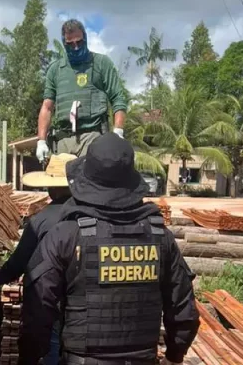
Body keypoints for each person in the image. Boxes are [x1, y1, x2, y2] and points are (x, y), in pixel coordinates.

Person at [19, 133, 200, 365]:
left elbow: (37, 307)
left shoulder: (66, 235)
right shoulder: (160, 237)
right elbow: (184, 312)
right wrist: (174, 356)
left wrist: (30, 356)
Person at [0, 153, 77, 365]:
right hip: (82, 312)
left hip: (48, 309)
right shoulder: (91, 218)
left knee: (50, 353)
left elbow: (18, 264)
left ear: (51, 188)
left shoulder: (40, 221)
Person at [36, 19, 128, 162]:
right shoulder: (55, 70)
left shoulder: (101, 64)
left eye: (79, 42)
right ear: (64, 42)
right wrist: (41, 141)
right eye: (70, 44)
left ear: (85, 38)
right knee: (62, 181)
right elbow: (47, 107)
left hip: (93, 135)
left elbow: (118, 98)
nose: (76, 47)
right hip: (63, 139)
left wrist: (118, 131)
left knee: (91, 181)